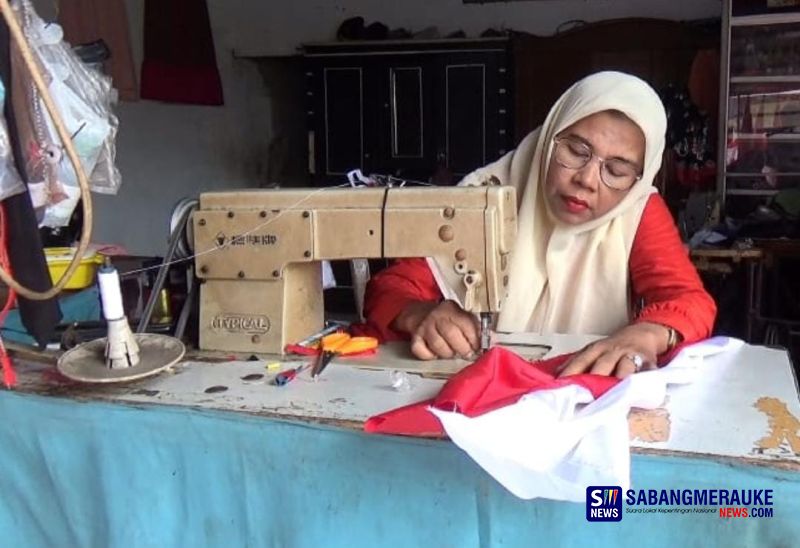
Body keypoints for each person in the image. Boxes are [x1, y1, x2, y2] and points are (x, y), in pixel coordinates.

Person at [363, 71, 717, 379]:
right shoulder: (483, 195)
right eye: (576, 150)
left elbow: (689, 300)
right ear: (550, 137)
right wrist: (419, 314)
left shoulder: (637, 209)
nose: (588, 179)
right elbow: (391, 288)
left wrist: (647, 335)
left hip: (580, 396)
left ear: (639, 177)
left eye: (617, 170)